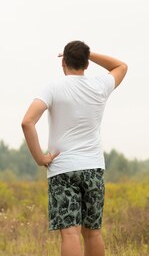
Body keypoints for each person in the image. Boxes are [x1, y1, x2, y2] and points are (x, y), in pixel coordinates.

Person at [21, 41, 127, 256]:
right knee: (93, 232)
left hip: (63, 169)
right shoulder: (100, 86)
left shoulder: (53, 88)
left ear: (63, 63)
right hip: (93, 168)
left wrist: (40, 158)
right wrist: (89, 54)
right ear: (87, 64)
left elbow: (27, 122)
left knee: (70, 234)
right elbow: (120, 66)